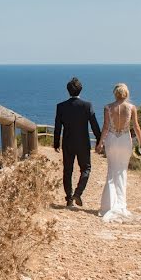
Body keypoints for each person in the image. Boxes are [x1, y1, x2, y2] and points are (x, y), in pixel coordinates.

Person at [96, 83, 141, 222]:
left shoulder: (108, 108)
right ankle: (120, 204)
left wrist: (100, 143)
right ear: (126, 94)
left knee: (112, 170)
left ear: (114, 93)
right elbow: (136, 126)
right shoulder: (131, 108)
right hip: (124, 141)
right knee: (122, 171)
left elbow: (105, 127)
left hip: (112, 140)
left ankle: (108, 205)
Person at [53, 77, 102, 208]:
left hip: (67, 143)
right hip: (83, 143)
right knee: (86, 169)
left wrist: (56, 143)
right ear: (81, 89)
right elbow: (94, 125)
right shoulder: (87, 105)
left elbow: (58, 127)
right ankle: (78, 193)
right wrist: (99, 139)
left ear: (68, 90)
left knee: (67, 171)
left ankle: (69, 198)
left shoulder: (61, 106)